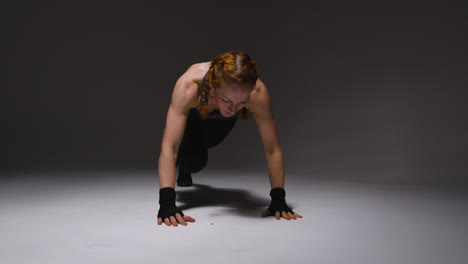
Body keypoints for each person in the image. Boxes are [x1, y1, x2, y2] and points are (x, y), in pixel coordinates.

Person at [157, 51, 303, 226]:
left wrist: (278, 199)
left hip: (218, 122)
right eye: (227, 100)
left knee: (211, 142)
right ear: (212, 86)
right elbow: (169, 146)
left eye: (242, 102)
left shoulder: (257, 92)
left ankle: (195, 153)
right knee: (194, 162)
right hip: (194, 118)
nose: (234, 108)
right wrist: (166, 203)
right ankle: (186, 168)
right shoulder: (188, 87)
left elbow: (273, 149)